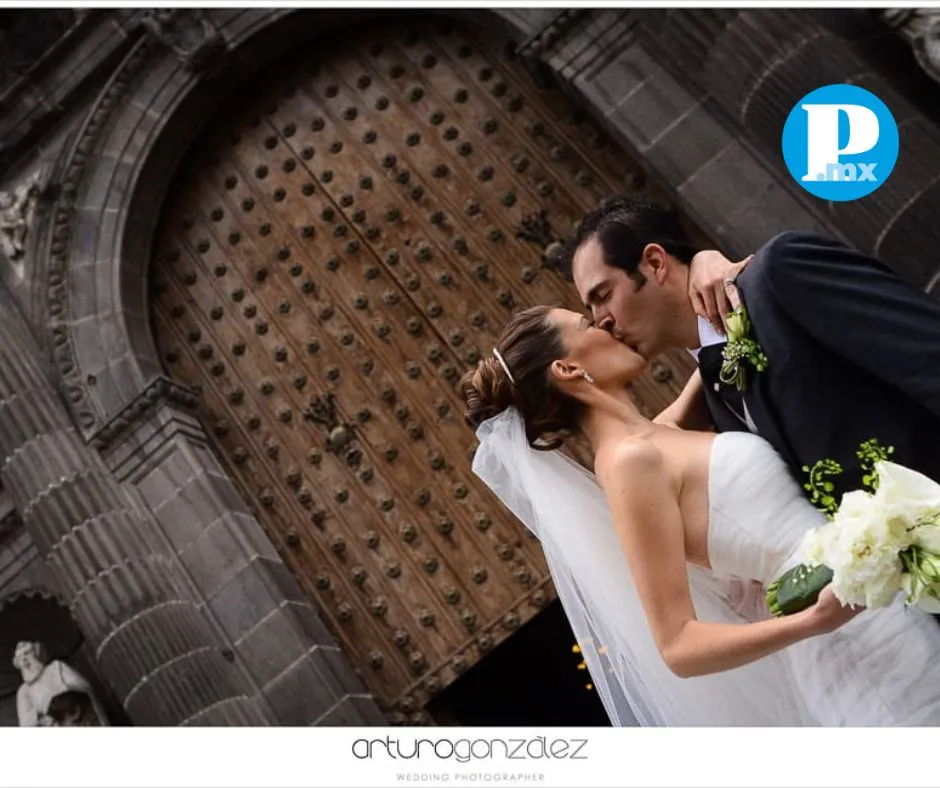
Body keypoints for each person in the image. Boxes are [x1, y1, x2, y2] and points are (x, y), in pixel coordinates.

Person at [461, 306, 940, 726]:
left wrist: (716, 277)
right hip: (851, 644)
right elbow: (678, 646)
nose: (606, 324)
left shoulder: (655, 436)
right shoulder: (629, 464)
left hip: (877, 599)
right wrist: (814, 621)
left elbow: (717, 349)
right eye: (587, 323)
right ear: (567, 368)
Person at [565, 194, 940, 502]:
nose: (603, 321)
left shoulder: (779, 273)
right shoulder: (714, 394)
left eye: (603, 295)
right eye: (591, 308)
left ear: (654, 263)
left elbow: (926, 352)